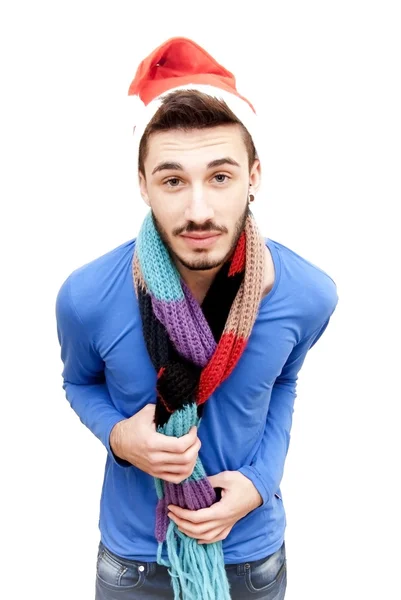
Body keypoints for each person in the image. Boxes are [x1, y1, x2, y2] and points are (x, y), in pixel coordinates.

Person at [55, 36, 339, 600]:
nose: (199, 211)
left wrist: (261, 484)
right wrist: (119, 436)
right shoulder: (86, 296)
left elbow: (283, 380)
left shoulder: (308, 293)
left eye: (220, 176)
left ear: (254, 176)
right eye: (172, 180)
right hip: (133, 562)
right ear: (143, 186)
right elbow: (77, 382)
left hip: (251, 559)